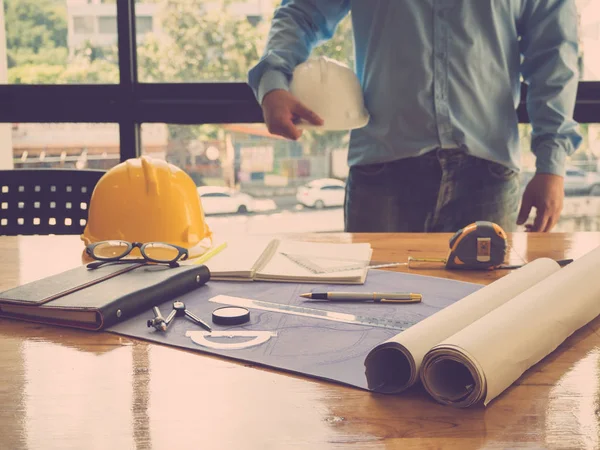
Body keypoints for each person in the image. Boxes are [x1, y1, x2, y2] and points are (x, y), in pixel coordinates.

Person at [247, 1, 582, 233]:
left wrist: (552, 165)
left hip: (488, 175)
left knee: (484, 324)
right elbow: (302, 12)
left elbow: (553, 53)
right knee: (376, 322)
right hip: (383, 172)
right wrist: (273, 82)